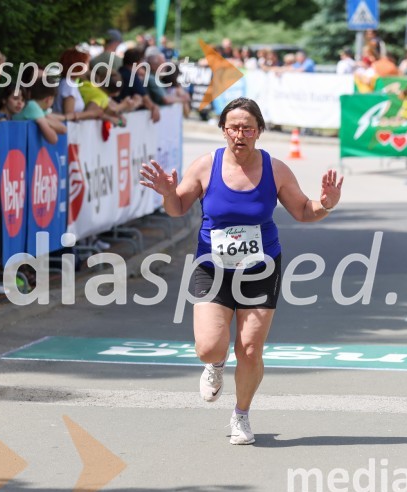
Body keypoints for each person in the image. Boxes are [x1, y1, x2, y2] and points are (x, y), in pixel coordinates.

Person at [138, 97, 343, 445]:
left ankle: (241, 415)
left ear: (259, 131)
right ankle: (215, 366)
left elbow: (303, 211)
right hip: (212, 267)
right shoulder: (206, 166)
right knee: (208, 348)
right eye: (233, 127)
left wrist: (325, 204)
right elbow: (177, 208)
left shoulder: (275, 169)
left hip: (261, 268)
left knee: (249, 349)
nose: (240, 135)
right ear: (223, 130)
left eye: (248, 128)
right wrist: (168, 193)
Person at [12, 77, 67, 144]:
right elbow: (53, 139)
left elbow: (63, 129)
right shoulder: (32, 106)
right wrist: (43, 120)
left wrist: (45, 120)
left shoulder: (40, 109)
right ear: (48, 99)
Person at [117, 47, 161, 122]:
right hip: (124, 115)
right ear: (137, 62)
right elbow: (145, 98)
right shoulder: (131, 76)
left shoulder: (119, 72)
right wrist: (154, 107)